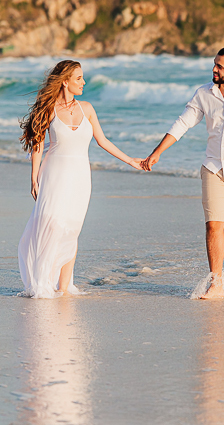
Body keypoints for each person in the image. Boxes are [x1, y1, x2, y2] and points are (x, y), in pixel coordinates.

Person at [142, 46, 224, 299]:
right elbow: (182, 123)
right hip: (213, 168)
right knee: (213, 225)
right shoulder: (204, 93)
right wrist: (157, 152)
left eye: (220, 66)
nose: (214, 69)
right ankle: (216, 283)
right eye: (214, 64)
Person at [18, 60, 143, 298]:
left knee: (71, 228)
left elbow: (103, 141)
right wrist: (33, 178)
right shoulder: (49, 109)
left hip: (80, 176)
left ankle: (64, 288)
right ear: (64, 81)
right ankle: (42, 281)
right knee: (52, 223)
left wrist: (131, 160)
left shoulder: (87, 108)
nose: (83, 82)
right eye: (78, 78)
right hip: (54, 173)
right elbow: (37, 145)